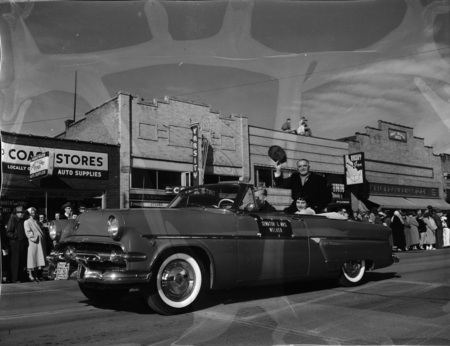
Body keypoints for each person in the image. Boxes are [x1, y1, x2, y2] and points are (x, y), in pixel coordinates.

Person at [6, 205, 29, 283]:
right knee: (15, 261)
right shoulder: (13, 218)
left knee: (22, 261)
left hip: (22, 243)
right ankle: (14, 278)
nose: (22, 214)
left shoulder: (22, 220)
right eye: (21, 213)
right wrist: (17, 236)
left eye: (23, 212)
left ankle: (21, 277)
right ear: (17, 213)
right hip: (15, 243)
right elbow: (8, 232)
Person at [24, 207, 47, 281]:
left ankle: (39, 275)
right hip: (34, 243)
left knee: (39, 259)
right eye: (32, 213)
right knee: (33, 259)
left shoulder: (37, 221)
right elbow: (28, 232)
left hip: (40, 243)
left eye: (34, 213)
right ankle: (33, 275)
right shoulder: (27, 222)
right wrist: (35, 237)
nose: (33, 214)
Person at [1, 209, 12, 283]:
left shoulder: (2, 224)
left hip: (4, 246)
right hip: (3, 245)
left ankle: (6, 277)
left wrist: (5, 245)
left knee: (5, 262)